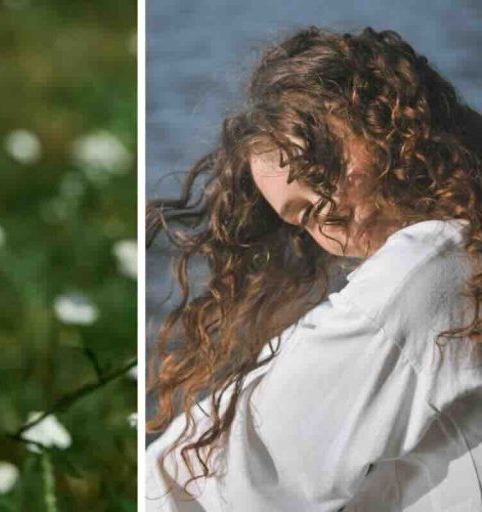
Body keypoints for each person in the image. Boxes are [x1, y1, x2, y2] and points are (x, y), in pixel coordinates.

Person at [145, 26, 482, 511]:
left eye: (323, 168)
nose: (326, 213)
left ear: (392, 123)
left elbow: (250, 486)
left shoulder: (424, 267)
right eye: (301, 215)